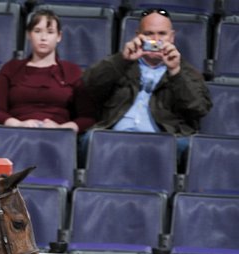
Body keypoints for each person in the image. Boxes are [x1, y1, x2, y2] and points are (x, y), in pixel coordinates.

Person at [82, 8, 212, 162]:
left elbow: (198, 108)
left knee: (184, 146)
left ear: (171, 37)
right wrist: (122, 60)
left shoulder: (186, 71)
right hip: (113, 136)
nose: (155, 40)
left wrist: (176, 72)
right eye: (149, 34)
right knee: (90, 138)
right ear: (138, 36)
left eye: (162, 34)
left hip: (164, 140)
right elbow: (88, 87)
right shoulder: (120, 62)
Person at [0, 9, 95, 134]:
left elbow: (88, 116)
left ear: (59, 36)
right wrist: (17, 124)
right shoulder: (11, 68)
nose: (43, 38)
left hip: (59, 136)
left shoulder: (72, 71)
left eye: (50, 32)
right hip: (15, 134)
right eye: (37, 31)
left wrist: (63, 128)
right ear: (29, 34)